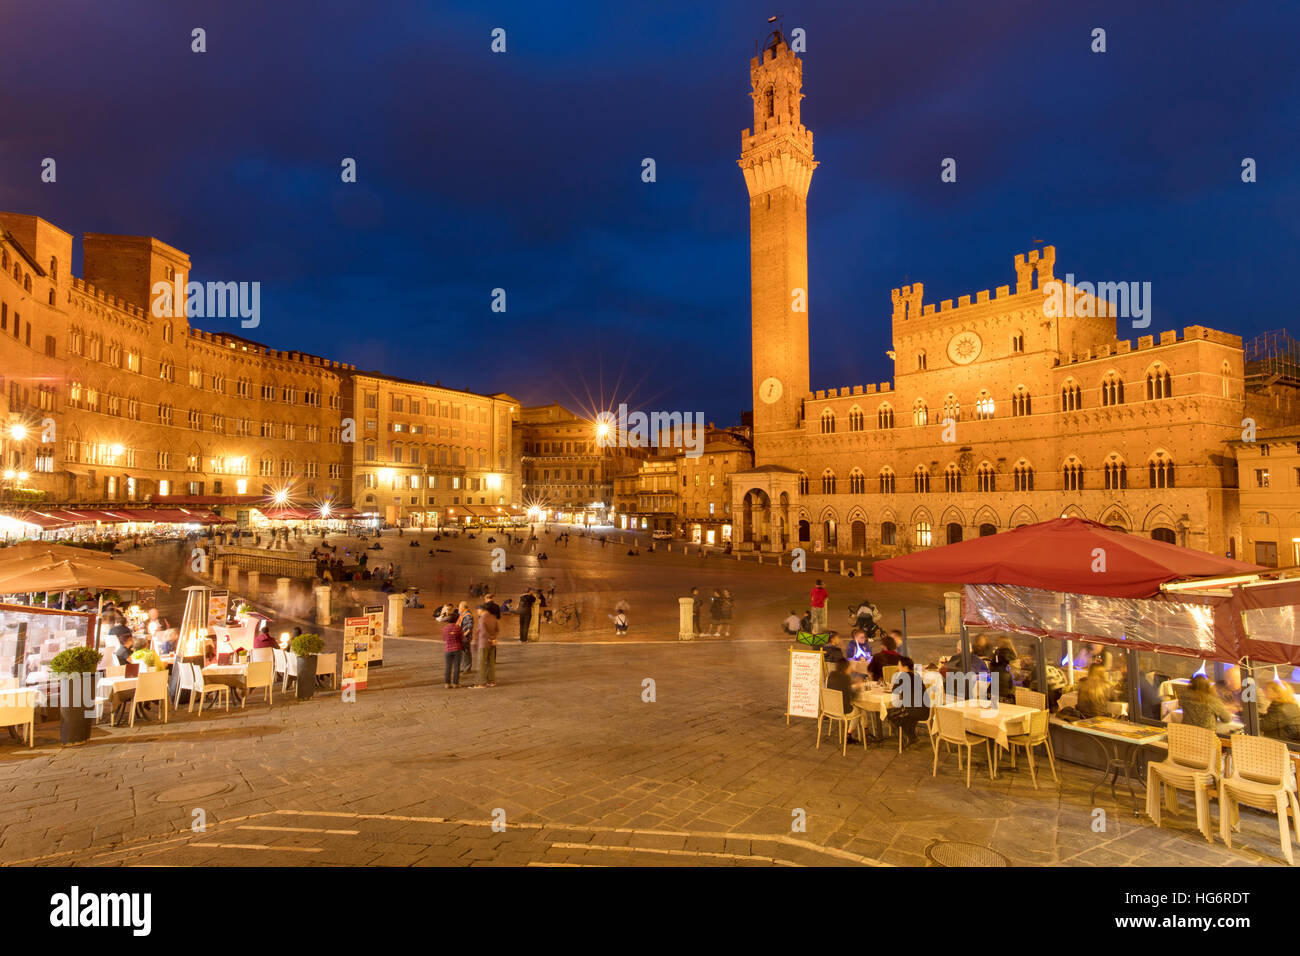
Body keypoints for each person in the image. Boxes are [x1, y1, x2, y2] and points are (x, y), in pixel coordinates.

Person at [889, 657, 929, 746]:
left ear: (905, 667)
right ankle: (911, 734)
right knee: (905, 713)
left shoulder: (903, 676)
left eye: (899, 665)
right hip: (925, 710)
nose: (898, 667)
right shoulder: (917, 676)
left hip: (914, 711)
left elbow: (894, 691)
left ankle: (905, 736)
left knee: (891, 714)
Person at [825, 659, 859, 744]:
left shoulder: (831, 675)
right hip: (843, 710)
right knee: (859, 709)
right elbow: (854, 696)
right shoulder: (846, 678)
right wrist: (857, 687)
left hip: (830, 709)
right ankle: (849, 734)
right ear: (846, 668)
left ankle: (862, 731)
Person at [472, 601, 500, 688]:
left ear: (482, 609)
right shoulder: (493, 617)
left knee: (482, 663)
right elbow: (497, 630)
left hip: (484, 643)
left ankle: (481, 683)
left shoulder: (482, 618)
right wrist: (493, 639)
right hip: (492, 644)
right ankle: (491, 681)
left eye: (478, 610)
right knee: (491, 663)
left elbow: (483, 632)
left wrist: (490, 639)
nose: (477, 612)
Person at [442, 612, 465, 688]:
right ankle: (455, 683)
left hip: (448, 649)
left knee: (448, 667)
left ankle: (447, 683)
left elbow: (444, 639)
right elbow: (462, 638)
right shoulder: (458, 628)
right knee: (456, 667)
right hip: (457, 649)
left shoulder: (445, 628)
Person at [457, 601, 475, 675]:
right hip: (463, 636)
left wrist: (465, 634)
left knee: (466, 652)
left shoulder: (468, 615)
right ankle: (464, 668)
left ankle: (467, 669)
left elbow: (470, 626)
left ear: (463, 608)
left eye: (459, 607)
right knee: (464, 652)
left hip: (466, 637)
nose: (459, 608)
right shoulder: (463, 614)